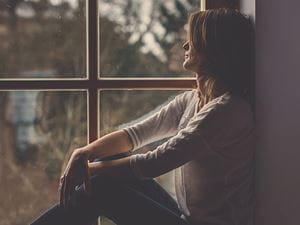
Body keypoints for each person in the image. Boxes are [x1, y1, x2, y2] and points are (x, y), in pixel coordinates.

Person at [30, 8, 255, 225]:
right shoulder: (192, 100)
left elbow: (155, 162)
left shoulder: (229, 111)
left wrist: (87, 172)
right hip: (184, 218)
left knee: (101, 187)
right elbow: (133, 135)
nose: (186, 45)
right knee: (106, 159)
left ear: (212, 50)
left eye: (193, 40)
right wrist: (83, 154)